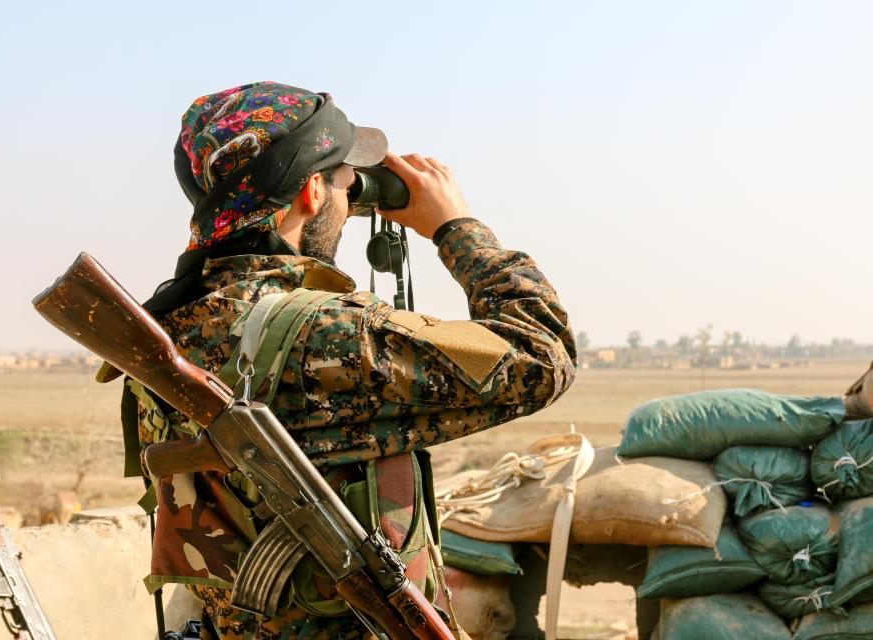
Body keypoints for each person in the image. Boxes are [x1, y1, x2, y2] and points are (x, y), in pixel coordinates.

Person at [113, 81, 577, 640]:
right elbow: (543, 357)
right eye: (343, 182)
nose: (350, 197)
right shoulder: (331, 335)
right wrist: (456, 229)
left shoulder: (162, 331)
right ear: (311, 191)